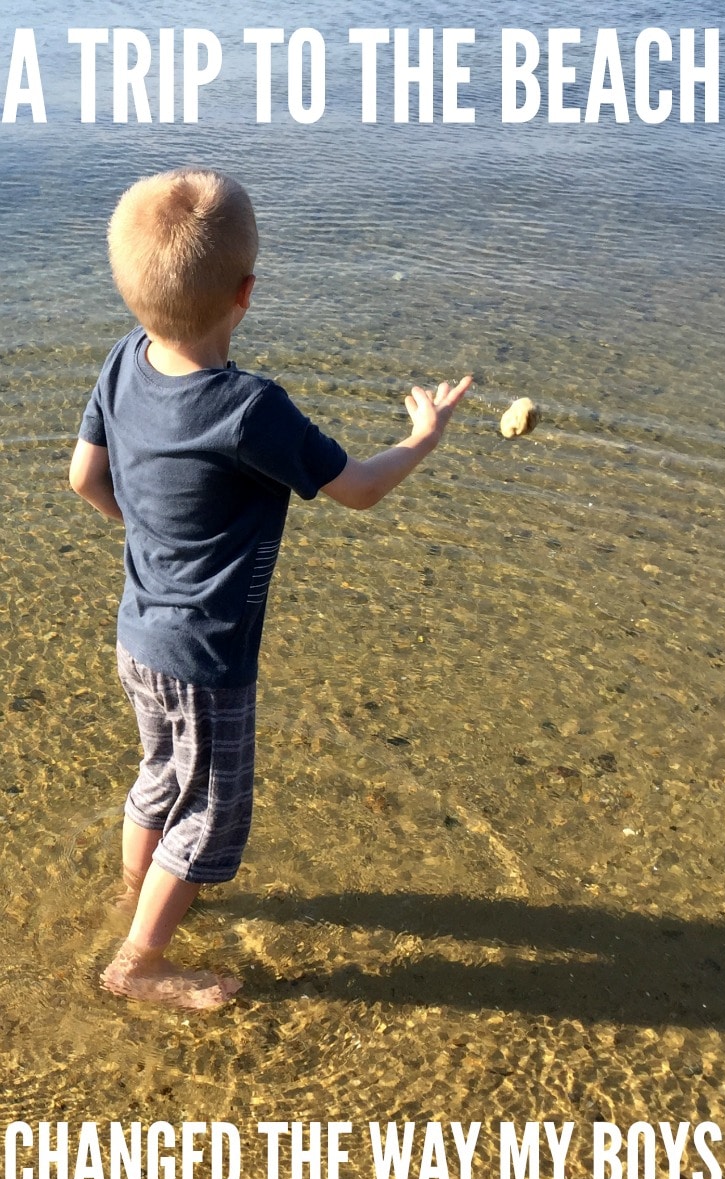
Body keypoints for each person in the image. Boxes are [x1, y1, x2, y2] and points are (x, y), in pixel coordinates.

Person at [69, 168, 471, 1009]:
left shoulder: (121, 360)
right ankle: (138, 961)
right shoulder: (249, 409)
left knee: (159, 772)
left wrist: (151, 537)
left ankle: (131, 895)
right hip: (207, 657)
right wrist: (422, 440)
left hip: (138, 636)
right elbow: (357, 487)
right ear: (246, 292)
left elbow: (84, 480)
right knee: (211, 810)